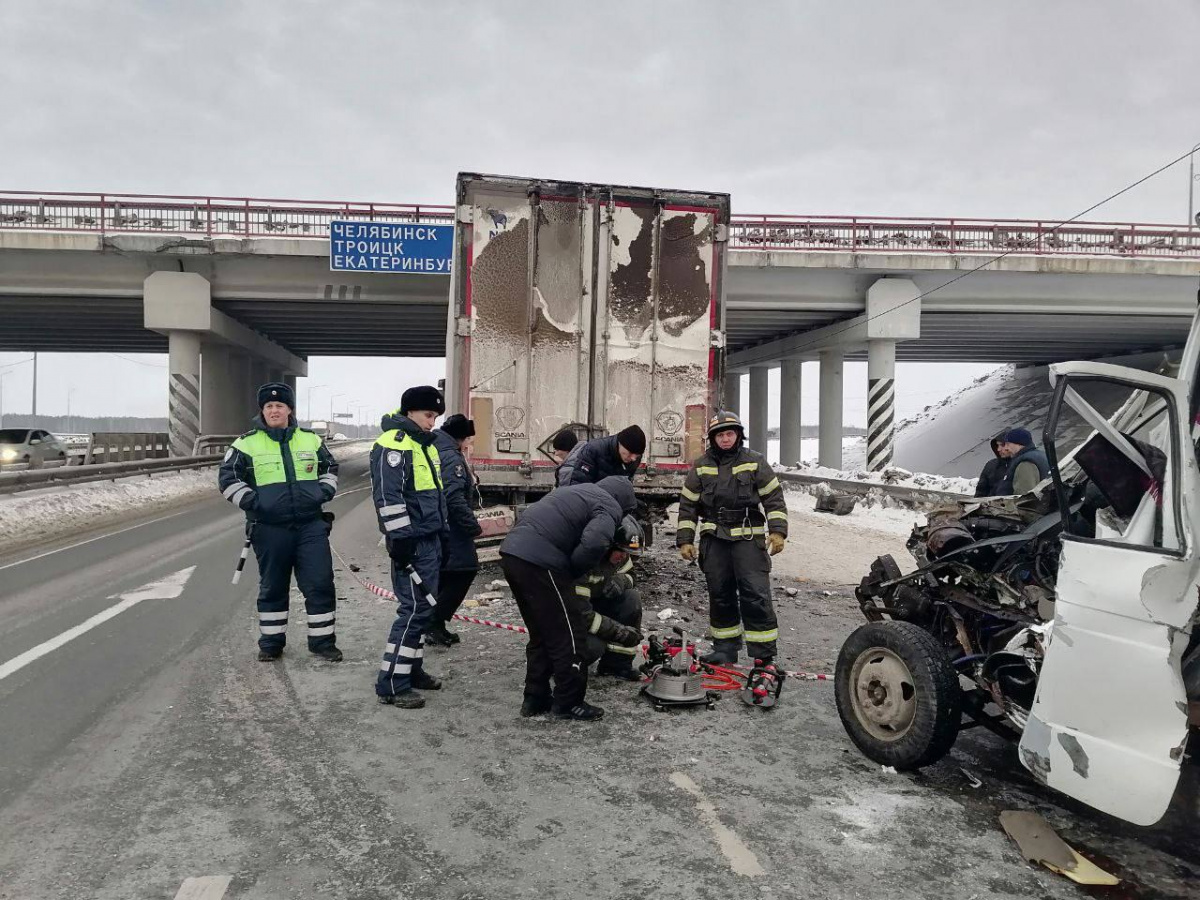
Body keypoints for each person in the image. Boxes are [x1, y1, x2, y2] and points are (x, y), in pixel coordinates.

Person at [499, 476, 643, 720]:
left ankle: (535, 699)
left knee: (542, 634)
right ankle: (568, 702)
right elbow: (596, 541)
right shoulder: (608, 506)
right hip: (542, 562)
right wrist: (571, 574)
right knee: (569, 635)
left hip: (513, 553)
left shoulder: (578, 494)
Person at [218, 381, 342, 662]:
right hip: (270, 529)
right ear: (262, 411)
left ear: (290, 409)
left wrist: (322, 492)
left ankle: (323, 642)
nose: (274, 410)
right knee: (273, 586)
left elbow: (330, 468)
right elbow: (227, 480)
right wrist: (255, 504)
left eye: (280, 405)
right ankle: (271, 643)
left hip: (311, 526)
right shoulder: (245, 443)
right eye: (269, 406)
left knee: (320, 583)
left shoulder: (310, 440)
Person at [675, 410, 789, 665]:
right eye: (720, 435)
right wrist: (684, 539)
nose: (725, 439)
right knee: (720, 594)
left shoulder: (755, 461)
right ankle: (725, 650)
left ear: (738, 435)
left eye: (730, 433)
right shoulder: (701, 465)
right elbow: (688, 506)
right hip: (714, 540)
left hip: (748, 539)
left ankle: (763, 656)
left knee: (756, 594)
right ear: (712, 438)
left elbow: (773, 498)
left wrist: (778, 531)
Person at [371, 386, 450, 710]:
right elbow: (389, 498)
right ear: (410, 412)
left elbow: (435, 493)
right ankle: (392, 682)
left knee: (424, 610)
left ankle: (411, 670)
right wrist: (400, 539)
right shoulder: (394, 445)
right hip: (412, 542)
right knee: (414, 610)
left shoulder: (424, 445)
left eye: (435, 416)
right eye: (428, 415)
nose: (432, 422)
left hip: (429, 538)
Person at [427, 414, 483, 647]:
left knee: (445, 574)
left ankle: (435, 624)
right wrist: (472, 526)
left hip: (442, 524)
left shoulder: (438, 447)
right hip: (454, 527)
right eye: (469, 439)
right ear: (461, 437)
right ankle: (434, 622)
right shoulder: (452, 457)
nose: (470, 444)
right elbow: (453, 496)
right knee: (465, 570)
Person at [576, 514, 645, 682]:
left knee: (631, 599)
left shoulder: (622, 556)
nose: (623, 556)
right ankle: (564, 667)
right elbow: (579, 613)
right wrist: (618, 632)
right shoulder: (586, 558)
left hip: (596, 606)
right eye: (621, 551)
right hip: (576, 614)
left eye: (628, 553)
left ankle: (616, 665)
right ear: (608, 545)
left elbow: (631, 575)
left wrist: (622, 580)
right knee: (593, 647)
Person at [557, 425, 646, 487]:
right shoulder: (592, 450)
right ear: (620, 443)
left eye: (637, 455)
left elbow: (625, 487)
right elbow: (578, 486)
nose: (633, 458)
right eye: (630, 453)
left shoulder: (634, 459)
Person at [996, 427, 1051, 495]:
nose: (1006, 448)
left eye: (1008, 444)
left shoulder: (1026, 463)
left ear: (1019, 443)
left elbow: (1024, 496)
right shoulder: (1039, 455)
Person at [975, 429, 1011, 497]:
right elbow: (980, 492)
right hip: (990, 505)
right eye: (997, 445)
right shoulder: (991, 465)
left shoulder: (1021, 464)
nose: (998, 449)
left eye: (1002, 445)